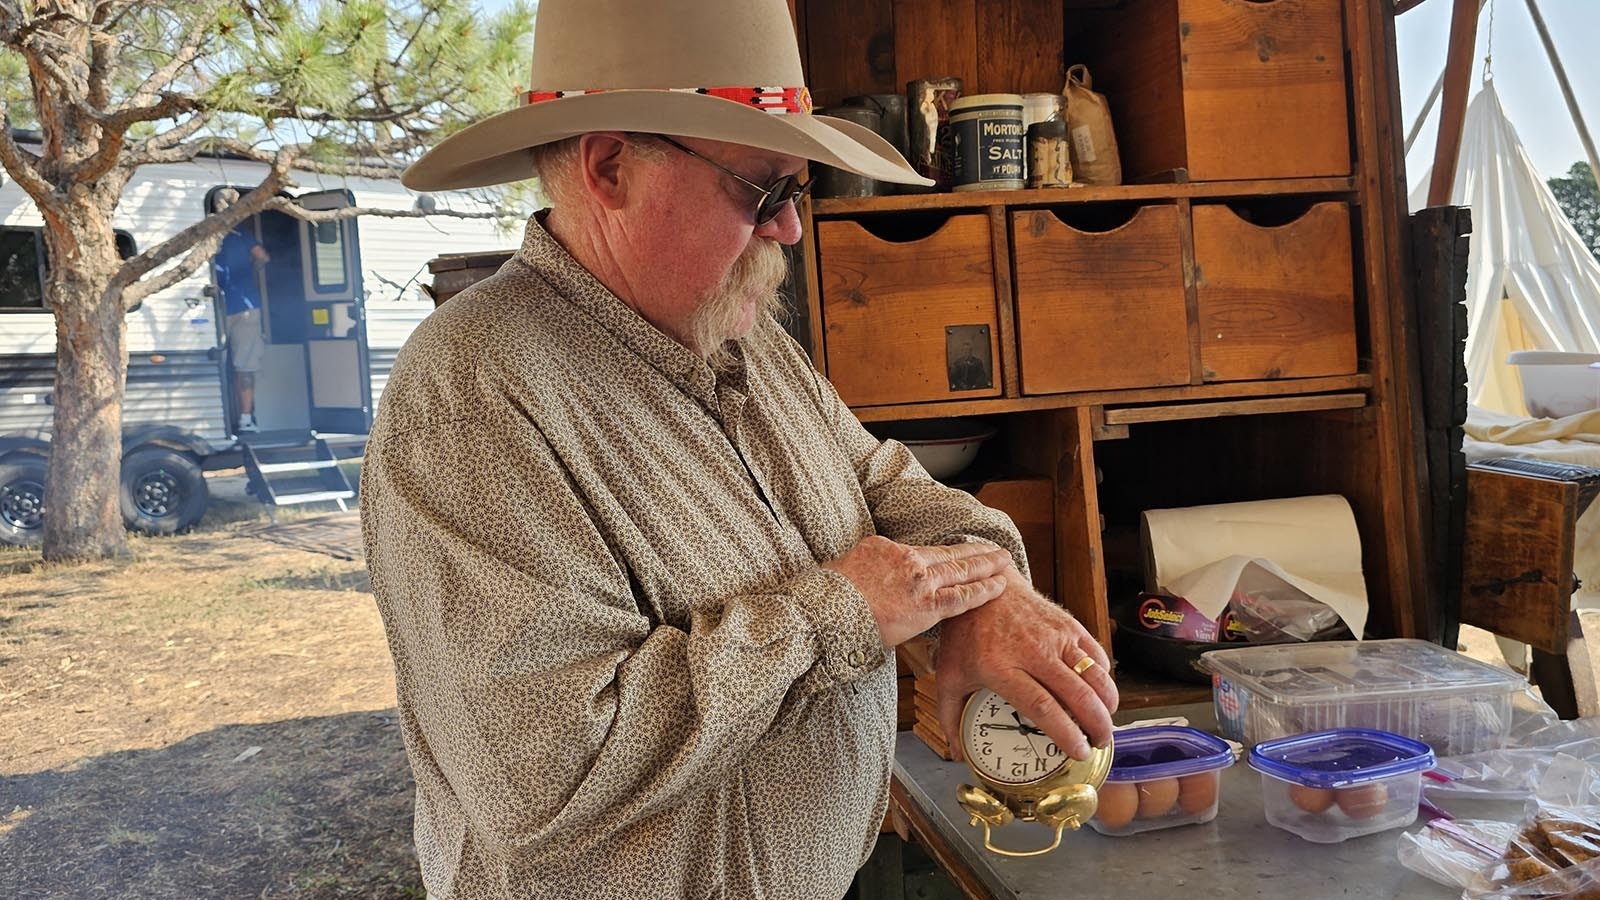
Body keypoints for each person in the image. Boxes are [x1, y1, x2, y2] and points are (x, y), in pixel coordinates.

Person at [361, 1, 1118, 897]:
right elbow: (544, 772)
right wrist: (835, 612)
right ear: (611, 168)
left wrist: (987, 590)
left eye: (797, 193)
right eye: (764, 192)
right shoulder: (475, 394)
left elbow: (891, 489)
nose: (791, 230)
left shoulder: (735, 336)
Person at [214, 223, 269, 433]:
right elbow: (262, 256)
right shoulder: (240, 233)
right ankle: (246, 419)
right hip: (247, 306)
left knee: (217, 361)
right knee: (245, 364)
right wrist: (251, 273)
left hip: (217, 306)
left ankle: (222, 420)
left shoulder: (203, 230)